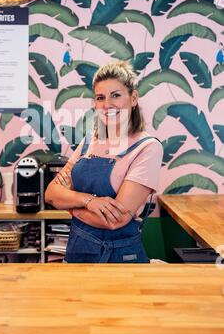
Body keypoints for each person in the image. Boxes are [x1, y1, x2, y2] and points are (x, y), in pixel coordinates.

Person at [45, 61, 163, 263]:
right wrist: (89, 202)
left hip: (120, 259)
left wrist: (68, 204)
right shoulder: (89, 141)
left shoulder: (148, 147)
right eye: (100, 98)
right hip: (76, 254)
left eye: (115, 95)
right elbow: (51, 194)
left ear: (133, 98)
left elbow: (115, 220)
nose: (107, 105)